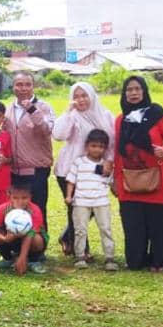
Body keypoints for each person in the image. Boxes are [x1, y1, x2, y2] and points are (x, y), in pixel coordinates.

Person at [114, 75, 163, 272]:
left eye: (137, 89)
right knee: (133, 222)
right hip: (130, 179)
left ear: (144, 91)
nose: (134, 93)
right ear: (124, 93)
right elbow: (117, 152)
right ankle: (136, 259)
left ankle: (159, 260)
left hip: (159, 178)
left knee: (160, 223)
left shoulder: (157, 113)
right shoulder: (121, 120)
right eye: (129, 90)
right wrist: (116, 178)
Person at [52, 81, 114, 256]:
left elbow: (112, 141)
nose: (80, 100)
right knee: (76, 208)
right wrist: (67, 112)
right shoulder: (72, 116)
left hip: (96, 169)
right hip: (70, 169)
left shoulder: (105, 115)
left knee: (93, 205)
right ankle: (81, 248)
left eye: (84, 95)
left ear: (92, 95)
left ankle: (66, 236)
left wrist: (109, 161)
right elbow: (58, 135)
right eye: (76, 96)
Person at [4, 71, 56, 227]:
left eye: (28, 84)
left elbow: (46, 131)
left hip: (36, 169)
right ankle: (19, 245)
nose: (23, 88)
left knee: (38, 209)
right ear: (13, 87)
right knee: (17, 210)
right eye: (19, 84)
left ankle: (39, 247)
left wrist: (33, 111)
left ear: (33, 86)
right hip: (14, 170)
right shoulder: (9, 108)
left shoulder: (44, 107)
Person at [65, 129, 117, 270]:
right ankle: (80, 256)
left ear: (105, 148)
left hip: (101, 201)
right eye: (93, 146)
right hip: (81, 201)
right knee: (80, 229)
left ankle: (110, 258)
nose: (96, 149)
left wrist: (116, 191)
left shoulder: (106, 165)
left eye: (100, 147)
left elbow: (111, 182)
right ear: (87, 145)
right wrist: (69, 196)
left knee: (105, 228)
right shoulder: (79, 162)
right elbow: (71, 181)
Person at [0, 184, 48, 275]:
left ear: (30, 197)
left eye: (24, 198)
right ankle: (7, 259)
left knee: (37, 239)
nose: (20, 202)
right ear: (9, 197)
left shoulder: (35, 210)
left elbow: (30, 234)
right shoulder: (2, 209)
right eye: (15, 198)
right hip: (10, 238)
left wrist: (22, 258)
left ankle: (33, 261)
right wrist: (4, 239)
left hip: (29, 240)